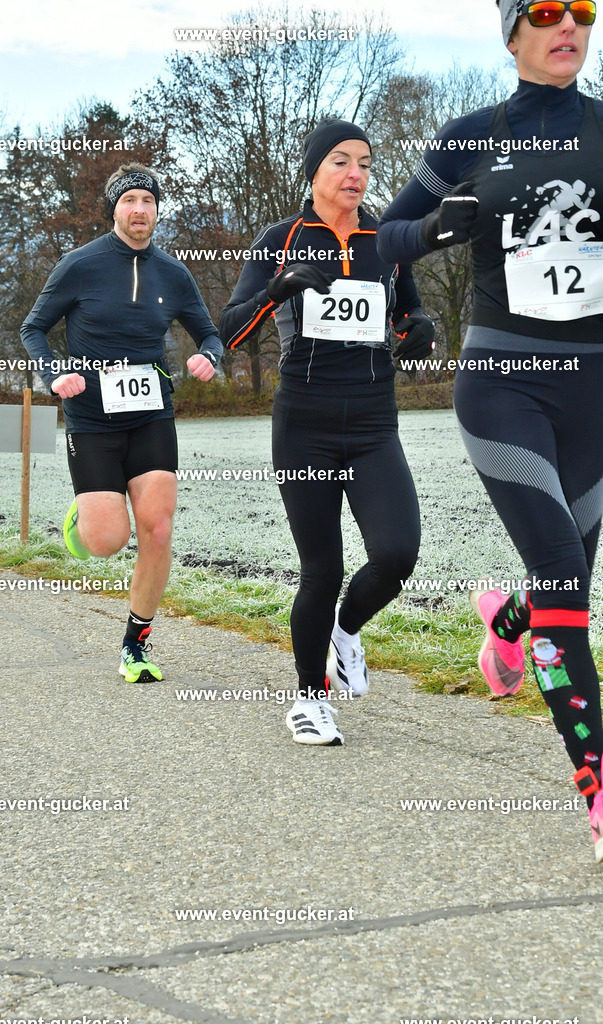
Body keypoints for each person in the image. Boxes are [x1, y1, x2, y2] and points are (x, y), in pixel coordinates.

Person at [377, 0, 603, 860]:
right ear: (511, 33)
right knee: (562, 573)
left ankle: (507, 628)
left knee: (566, 574)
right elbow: (372, 238)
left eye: (581, 10)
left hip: (590, 389)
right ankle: (593, 787)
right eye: (545, 11)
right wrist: (427, 239)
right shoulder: (470, 135)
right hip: (505, 382)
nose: (568, 25)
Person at [219, 119, 435, 745]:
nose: (355, 174)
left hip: (372, 421)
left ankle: (346, 632)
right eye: (340, 161)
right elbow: (231, 327)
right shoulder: (280, 237)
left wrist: (416, 329)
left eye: (365, 163)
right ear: (313, 171)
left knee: (396, 554)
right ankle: (310, 701)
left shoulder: (386, 240)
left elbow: (406, 313)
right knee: (322, 567)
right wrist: (277, 288)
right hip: (305, 423)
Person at [21, 163, 222, 684]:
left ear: (157, 209)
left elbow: (209, 333)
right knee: (108, 540)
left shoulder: (174, 274)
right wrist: (54, 374)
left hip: (152, 413)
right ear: (115, 208)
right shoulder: (79, 265)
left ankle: (136, 642)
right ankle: (86, 517)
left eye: (148, 201)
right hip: (91, 418)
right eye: (129, 200)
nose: (139, 209)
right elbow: (34, 327)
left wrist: (209, 356)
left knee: (157, 529)